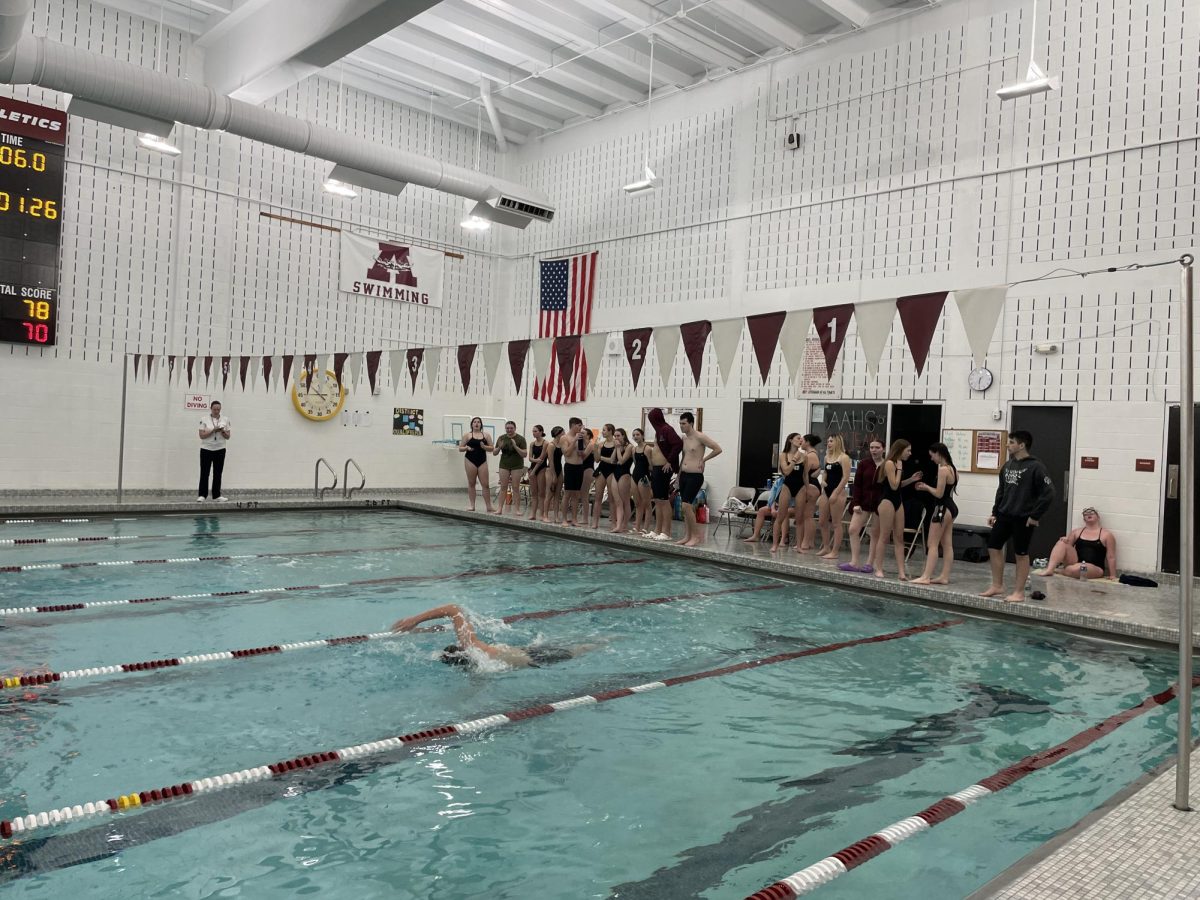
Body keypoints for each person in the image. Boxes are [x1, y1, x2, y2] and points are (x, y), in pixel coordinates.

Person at [391, 604, 597, 669]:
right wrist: (416, 623)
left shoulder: (477, 656)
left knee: (588, 647)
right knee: (589, 645)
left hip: (536, 657)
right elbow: (454, 611)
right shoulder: (477, 652)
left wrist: (415, 622)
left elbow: (455, 609)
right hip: (533, 654)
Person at [981, 430, 1056, 603]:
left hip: (1024, 517)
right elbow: (1001, 491)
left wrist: (1035, 515)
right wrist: (995, 512)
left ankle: (1019, 592)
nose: (1007, 445)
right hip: (1005, 514)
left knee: (1021, 553)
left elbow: (1049, 492)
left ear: (1021, 445)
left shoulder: (1036, 466)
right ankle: (997, 585)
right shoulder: (1007, 466)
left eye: (1011, 442)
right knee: (993, 546)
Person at [870, 439, 922, 579]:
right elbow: (893, 486)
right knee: (884, 536)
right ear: (900, 450)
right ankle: (879, 568)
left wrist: (911, 480)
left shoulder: (898, 464)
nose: (910, 453)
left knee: (899, 538)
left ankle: (901, 572)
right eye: (908, 450)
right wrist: (899, 468)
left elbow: (898, 485)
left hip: (897, 501)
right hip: (886, 501)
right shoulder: (889, 463)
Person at [913, 442, 959, 585]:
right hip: (951, 508)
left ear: (939, 453)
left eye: (932, 456)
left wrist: (926, 487)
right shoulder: (954, 469)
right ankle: (944, 577)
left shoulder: (943, 470)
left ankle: (926, 577)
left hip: (942, 508)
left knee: (932, 543)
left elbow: (939, 494)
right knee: (947, 544)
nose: (932, 459)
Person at [677, 411, 722, 547]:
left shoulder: (700, 437)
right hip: (684, 475)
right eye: (680, 424)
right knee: (685, 508)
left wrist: (704, 459)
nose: (681, 426)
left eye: (684, 424)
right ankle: (687, 535)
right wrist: (678, 475)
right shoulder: (684, 439)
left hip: (695, 476)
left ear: (691, 423)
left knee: (686, 505)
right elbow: (683, 457)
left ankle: (696, 536)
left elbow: (717, 449)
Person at [1034, 507, 1117, 579]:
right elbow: (1065, 549)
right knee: (1062, 542)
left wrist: (1112, 575)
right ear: (1084, 519)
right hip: (1075, 563)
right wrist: (1065, 540)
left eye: (1092, 512)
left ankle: (1062, 571)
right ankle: (1050, 570)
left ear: (1098, 517)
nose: (1088, 514)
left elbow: (1111, 556)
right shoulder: (1076, 532)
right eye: (1085, 514)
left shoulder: (1107, 535)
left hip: (1094, 568)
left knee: (1080, 569)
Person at [839, 439, 884, 573]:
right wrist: (856, 502)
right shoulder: (864, 464)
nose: (874, 450)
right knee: (853, 529)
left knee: (875, 534)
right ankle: (854, 562)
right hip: (863, 503)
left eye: (877, 447)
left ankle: (870, 563)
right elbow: (857, 485)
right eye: (871, 447)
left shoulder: (887, 465)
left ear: (883, 449)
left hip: (879, 504)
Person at [647, 409, 684, 541]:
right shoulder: (658, 431)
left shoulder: (667, 429)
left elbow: (678, 444)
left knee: (663, 500)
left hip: (664, 469)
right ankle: (657, 530)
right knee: (657, 500)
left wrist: (670, 461)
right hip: (657, 469)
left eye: (651, 419)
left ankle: (666, 532)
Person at [818, 434, 852, 561]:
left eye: (831, 441)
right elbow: (825, 472)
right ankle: (826, 547)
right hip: (826, 491)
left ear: (837, 442)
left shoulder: (844, 458)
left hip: (838, 492)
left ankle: (835, 551)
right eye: (828, 441)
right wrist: (822, 482)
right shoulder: (827, 457)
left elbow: (845, 477)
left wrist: (836, 493)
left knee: (836, 523)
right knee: (822, 521)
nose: (828, 443)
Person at [771, 433, 805, 552]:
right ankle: (775, 544)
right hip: (787, 486)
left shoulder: (804, 456)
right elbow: (786, 471)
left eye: (801, 438)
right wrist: (795, 459)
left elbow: (805, 474)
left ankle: (799, 546)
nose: (801, 440)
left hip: (801, 487)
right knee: (781, 516)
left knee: (800, 518)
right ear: (790, 440)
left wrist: (808, 487)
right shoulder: (783, 455)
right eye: (798, 438)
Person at [458, 416, 495, 513]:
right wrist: (466, 448)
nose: (476, 423)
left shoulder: (486, 435)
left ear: (481, 425)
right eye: (475, 422)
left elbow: (492, 448)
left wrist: (484, 446)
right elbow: (460, 448)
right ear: (472, 424)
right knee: (471, 483)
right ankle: (472, 505)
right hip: (470, 460)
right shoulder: (467, 435)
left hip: (482, 461)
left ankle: (489, 506)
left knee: (485, 484)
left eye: (478, 422)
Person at [197, 400, 231, 502]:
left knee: (218, 473)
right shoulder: (204, 419)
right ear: (211, 409)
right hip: (206, 449)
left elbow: (228, 436)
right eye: (215, 409)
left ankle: (216, 495)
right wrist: (213, 430)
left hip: (220, 449)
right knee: (204, 472)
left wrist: (222, 431)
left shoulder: (225, 419)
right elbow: (201, 435)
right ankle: (202, 495)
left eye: (218, 409)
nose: (216, 411)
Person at [794, 434, 822, 554]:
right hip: (811, 485)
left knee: (808, 515)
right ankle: (809, 542)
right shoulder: (812, 454)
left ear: (808, 442)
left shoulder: (810, 456)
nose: (801, 442)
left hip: (811, 486)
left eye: (803, 440)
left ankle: (806, 542)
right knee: (807, 515)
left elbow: (804, 474)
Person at [742, 474, 791, 544]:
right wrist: (773, 508)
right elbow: (772, 498)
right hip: (776, 505)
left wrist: (781, 508)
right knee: (761, 511)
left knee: (784, 512)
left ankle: (783, 539)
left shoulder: (793, 483)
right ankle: (756, 535)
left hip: (789, 507)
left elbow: (793, 501)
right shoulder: (778, 481)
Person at [493, 421, 527, 516]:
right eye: (507, 428)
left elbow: (524, 454)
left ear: (515, 428)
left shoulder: (521, 439)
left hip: (517, 465)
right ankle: (500, 508)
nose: (509, 430)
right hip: (504, 464)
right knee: (503, 487)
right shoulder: (502, 438)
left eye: (511, 428)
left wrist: (515, 446)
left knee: (515, 487)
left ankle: (517, 509)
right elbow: (494, 453)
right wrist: (499, 447)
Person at [558, 418, 588, 527]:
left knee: (576, 495)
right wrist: (574, 440)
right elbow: (566, 453)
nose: (581, 428)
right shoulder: (564, 438)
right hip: (570, 467)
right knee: (567, 494)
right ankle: (564, 519)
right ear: (573, 425)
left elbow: (583, 455)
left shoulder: (580, 437)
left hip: (579, 467)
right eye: (579, 425)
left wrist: (583, 443)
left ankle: (574, 519)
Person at [591, 424, 618, 528]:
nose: (602, 432)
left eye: (604, 430)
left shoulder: (616, 444)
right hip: (602, 470)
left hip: (612, 470)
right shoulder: (601, 444)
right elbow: (597, 459)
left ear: (610, 431)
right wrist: (595, 448)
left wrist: (601, 457)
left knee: (612, 498)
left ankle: (614, 523)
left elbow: (613, 461)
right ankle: (595, 522)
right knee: (598, 497)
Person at [612, 428, 634, 533]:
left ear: (623, 436)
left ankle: (623, 524)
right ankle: (618, 525)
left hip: (624, 474)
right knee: (618, 501)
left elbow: (621, 461)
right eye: (615, 436)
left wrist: (617, 449)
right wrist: (615, 449)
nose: (616, 438)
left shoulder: (629, 447)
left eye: (618, 436)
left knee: (625, 501)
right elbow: (612, 460)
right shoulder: (617, 447)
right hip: (615, 473)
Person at [631, 428, 653, 534]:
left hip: (644, 477)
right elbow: (635, 463)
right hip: (635, 475)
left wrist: (650, 480)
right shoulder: (633, 449)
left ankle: (645, 528)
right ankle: (637, 527)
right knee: (637, 504)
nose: (636, 437)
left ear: (642, 435)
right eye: (634, 435)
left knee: (647, 503)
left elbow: (651, 466)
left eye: (638, 434)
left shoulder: (648, 449)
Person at [526, 425, 550, 522]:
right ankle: (533, 513)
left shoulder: (546, 443)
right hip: (533, 468)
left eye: (535, 431)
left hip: (541, 468)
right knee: (534, 493)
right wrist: (534, 462)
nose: (533, 433)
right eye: (533, 431)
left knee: (541, 493)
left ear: (541, 432)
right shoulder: (532, 444)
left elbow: (542, 459)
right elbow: (530, 458)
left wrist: (534, 470)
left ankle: (541, 514)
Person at [545, 426, 565, 523]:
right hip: (551, 470)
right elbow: (551, 461)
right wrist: (554, 476)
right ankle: (545, 515)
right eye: (563, 432)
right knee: (549, 494)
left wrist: (560, 473)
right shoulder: (551, 445)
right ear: (558, 433)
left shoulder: (561, 444)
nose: (564, 434)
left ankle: (556, 516)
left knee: (557, 495)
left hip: (559, 469)